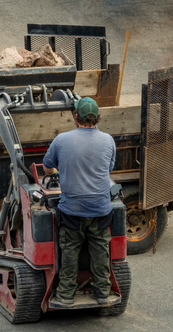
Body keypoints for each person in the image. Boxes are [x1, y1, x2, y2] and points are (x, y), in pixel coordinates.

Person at [42, 97, 116, 306]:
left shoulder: (61, 140)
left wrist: (58, 171)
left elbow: (47, 168)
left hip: (72, 211)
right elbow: (107, 170)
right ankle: (103, 293)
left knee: (70, 251)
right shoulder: (108, 140)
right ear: (97, 118)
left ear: (76, 117)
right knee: (101, 250)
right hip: (101, 209)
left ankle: (65, 295)